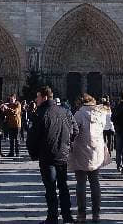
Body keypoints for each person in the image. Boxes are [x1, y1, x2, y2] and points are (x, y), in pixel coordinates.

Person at [27, 86, 74, 224]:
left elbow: (32, 138)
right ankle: (67, 216)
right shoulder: (66, 111)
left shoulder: (41, 113)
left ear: (45, 97)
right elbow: (75, 129)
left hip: (47, 157)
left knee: (50, 188)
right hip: (62, 155)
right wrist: (67, 145)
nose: (36, 100)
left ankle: (52, 218)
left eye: (38, 97)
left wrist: (35, 154)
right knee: (63, 186)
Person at [68, 93, 109, 223]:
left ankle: (81, 214)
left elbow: (72, 130)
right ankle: (96, 213)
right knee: (95, 182)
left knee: (81, 183)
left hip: (81, 150)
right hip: (96, 150)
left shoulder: (79, 114)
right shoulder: (101, 113)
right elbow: (104, 128)